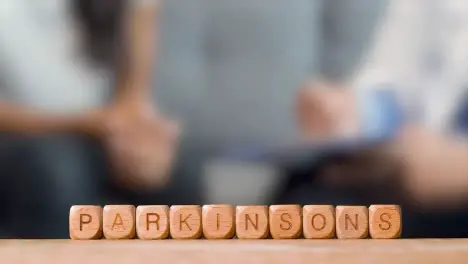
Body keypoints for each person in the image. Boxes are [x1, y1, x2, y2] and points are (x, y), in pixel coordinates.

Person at [296, 0, 468, 237]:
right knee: (307, 205)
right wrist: (353, 111)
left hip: (449, 192)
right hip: (405, 167)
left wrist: (458, 168)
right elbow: (392, 80)